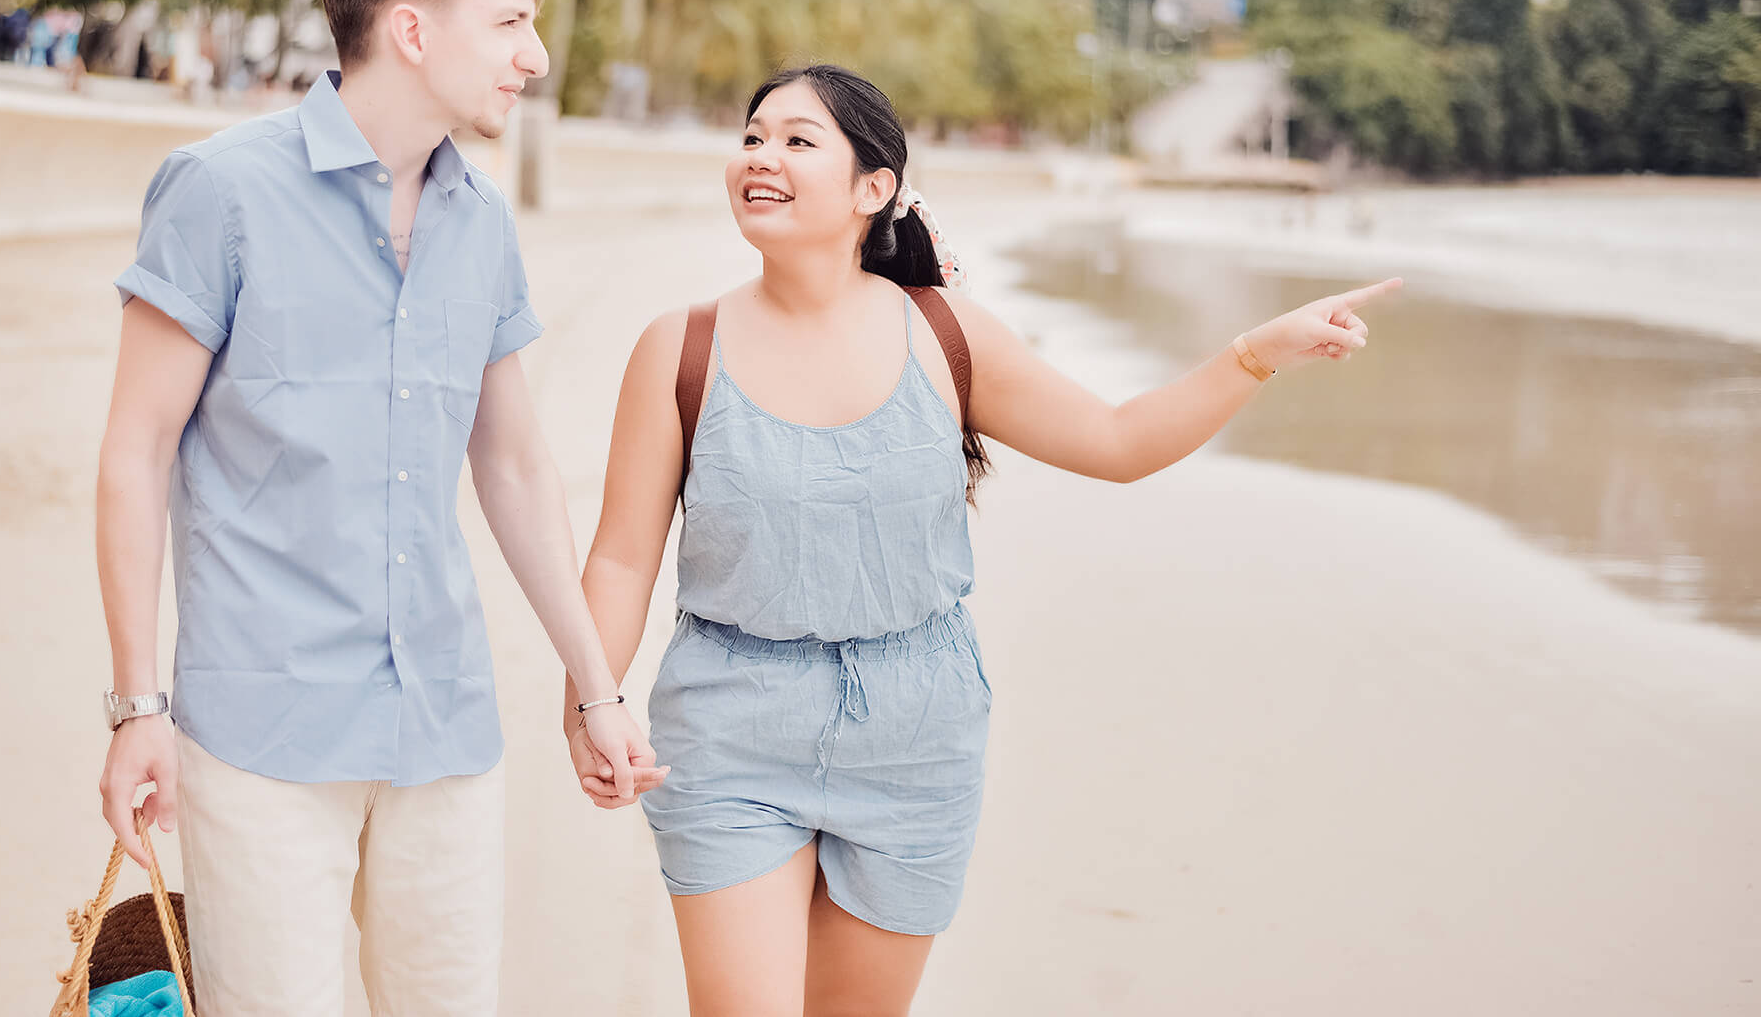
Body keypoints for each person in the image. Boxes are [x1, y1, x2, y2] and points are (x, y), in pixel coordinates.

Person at [567, 63, 1399, 1015]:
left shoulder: (944, 333)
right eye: (753, 136)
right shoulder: (681, 348)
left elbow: (1119, 442)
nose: (762, 157)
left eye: (799, 140)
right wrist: (592, 698)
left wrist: (1255, 354)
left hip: (917, 737)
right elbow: (622, 556)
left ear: (873, 189)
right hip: (731, 729)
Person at [94, 0, 664, 1016]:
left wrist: (598, 687)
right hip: (260, 730)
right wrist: (134, 704)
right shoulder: (220, 189)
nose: (534, 57)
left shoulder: (481, 221)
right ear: (411, 30)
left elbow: (511, 466)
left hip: (443, 725)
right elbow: (134, 451)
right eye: (508, 22)